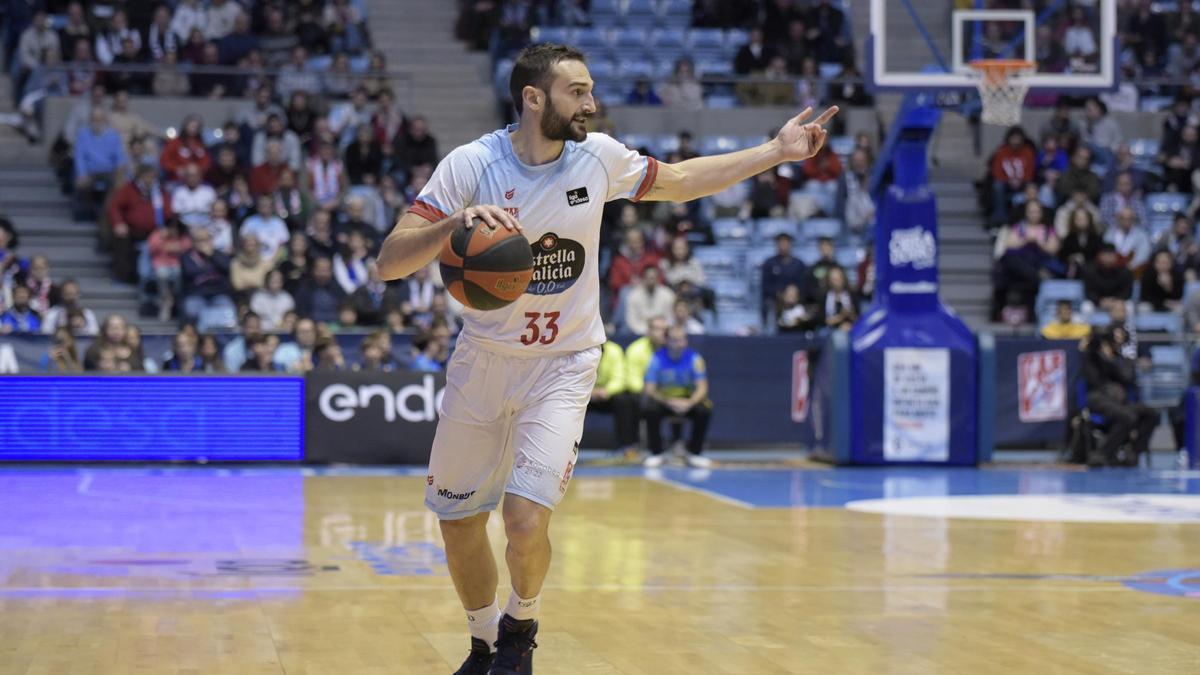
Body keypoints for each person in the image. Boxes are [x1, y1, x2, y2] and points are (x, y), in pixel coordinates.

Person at [373, 43, 837, 675]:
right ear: (534, 98)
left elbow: (679, 183)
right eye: (577, 92)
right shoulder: (471, 165)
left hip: (563, 363)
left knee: (524, 520)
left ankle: (521, 629)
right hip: (483, 359)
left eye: (590, 91)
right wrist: (452, 225)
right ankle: (482, 644)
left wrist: (776, 152)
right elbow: (389, 262)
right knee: (458, 522)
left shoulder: (599, 158)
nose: (591, 103)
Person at [1081, 327, 1158, 467]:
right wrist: (1101, 356)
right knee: (1128, 416)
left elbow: (1126, 377)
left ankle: (1134, 452)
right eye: (1114, 338)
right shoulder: (1092, 357)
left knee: (1151, 413)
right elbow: (1094, 380)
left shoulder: (1120, 359)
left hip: (1120, 401)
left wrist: (1111, 359)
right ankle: (1102, 453)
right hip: (1099, 398)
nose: (1117, 341)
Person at [642, 325, 713, 469]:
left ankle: (694, 453)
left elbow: (702, 387)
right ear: (667, 341)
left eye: (682, 340)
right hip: (665, 400)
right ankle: (657, 453)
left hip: (687, 400)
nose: (679, 344)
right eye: (675, 340)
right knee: (650, 409)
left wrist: (689, 403)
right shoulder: (656, 358)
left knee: (704, 410)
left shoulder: (695, 358)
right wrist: (668, 402)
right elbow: (649, 389)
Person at [588, 340, 639, 455]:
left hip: (607, 395)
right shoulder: (579, 350)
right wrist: (591, 392)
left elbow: (619, 379)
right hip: (585, 395)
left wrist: (606, 391)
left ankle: (627, 446)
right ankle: (567, 446)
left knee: (624, 401)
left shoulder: (614, 350)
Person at [760, 233, 808, 324]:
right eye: (781, 243)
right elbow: (765, 286)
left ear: (790, 244)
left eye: (785, 243)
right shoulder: (769, 264)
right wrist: (781, 294)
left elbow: (803, 284)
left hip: (796, 300)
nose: (783, 246)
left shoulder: (799, 264)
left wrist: (794, 292)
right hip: (775, 301)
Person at [623, 266, 676, 336]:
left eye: (653, 278)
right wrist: (647, 332)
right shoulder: (633, 295)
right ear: (643, 278)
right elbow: (631, 320)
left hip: (663, 333)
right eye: (648, 278)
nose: (651, 281)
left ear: (658, 279)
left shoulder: (668, 294)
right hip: (639, 333)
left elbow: (671, 318)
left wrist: (660, 330)